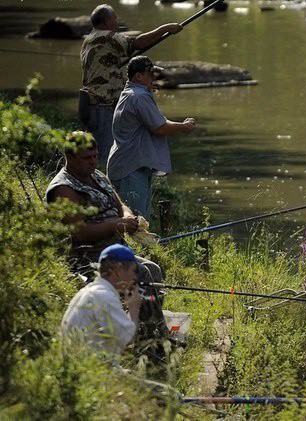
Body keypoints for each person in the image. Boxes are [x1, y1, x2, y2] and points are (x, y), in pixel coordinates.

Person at [46, 131, 168, 342]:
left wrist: (129, 218)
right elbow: (79, 233)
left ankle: (148, 329)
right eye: (87, 158)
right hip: (87, 257)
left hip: (115, 250)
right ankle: (151, 341)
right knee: (142, 274)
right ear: (70, 157)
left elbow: (120, 204)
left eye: (95, 156)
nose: (93, 162)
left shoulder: (97, 176)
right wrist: (115, 225)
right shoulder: (63, 189)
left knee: (154, 270)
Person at [80, 4, 183, 164]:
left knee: (102, 152)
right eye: (115, 18)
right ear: (107, 21)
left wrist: (143, 84)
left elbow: (113, 69)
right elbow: (137, 43)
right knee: (104, 155)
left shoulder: (89, 40)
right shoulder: (106, 37)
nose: (117, 21)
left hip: (93, 104)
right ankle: (105, 185)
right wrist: (165, 28)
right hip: (101, 106)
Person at [107, 55, 196, 219]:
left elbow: (158, 122)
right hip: (130, 169)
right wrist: (182, 127)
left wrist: (147, 89)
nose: (154, 77)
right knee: (135, 223)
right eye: (150, 74)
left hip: (129, 166)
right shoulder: (140, 97)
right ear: (138, 76)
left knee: (137, 221)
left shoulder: (132, 92)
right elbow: (160, 128)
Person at [61, 244, 142, 356]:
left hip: (77, 365)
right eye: (133, 271)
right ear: (118, 269)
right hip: (87, 369)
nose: (135, 277)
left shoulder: (88, 291)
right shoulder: (105, 297)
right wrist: (133, 307)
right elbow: (127, 341)